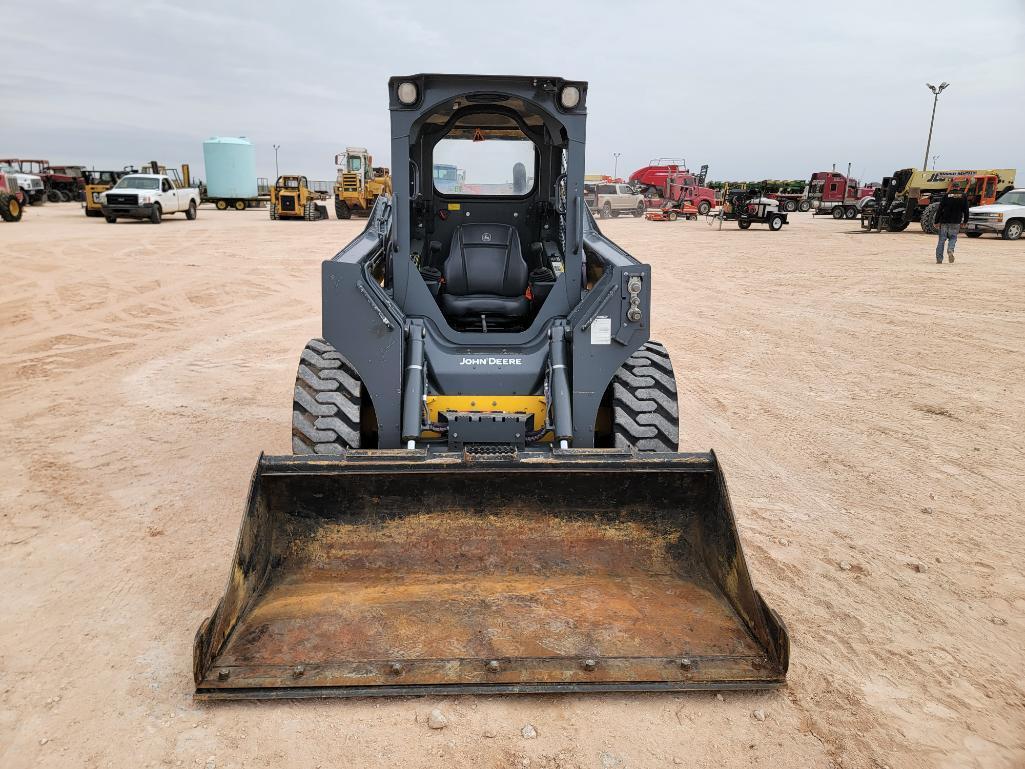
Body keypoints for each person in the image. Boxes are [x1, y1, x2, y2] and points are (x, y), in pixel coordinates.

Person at [933, 185, 970, 263]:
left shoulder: (946, 195)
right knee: (953, 238)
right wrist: (965, 221)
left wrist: (936, 221)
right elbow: (966, 210)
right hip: (956, 222)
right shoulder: (963, 196)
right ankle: (950, 250)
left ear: (952, 187)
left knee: (941, 240)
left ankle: (939, 259)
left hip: (944, 221)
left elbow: (940, 209)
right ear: (959, 187)